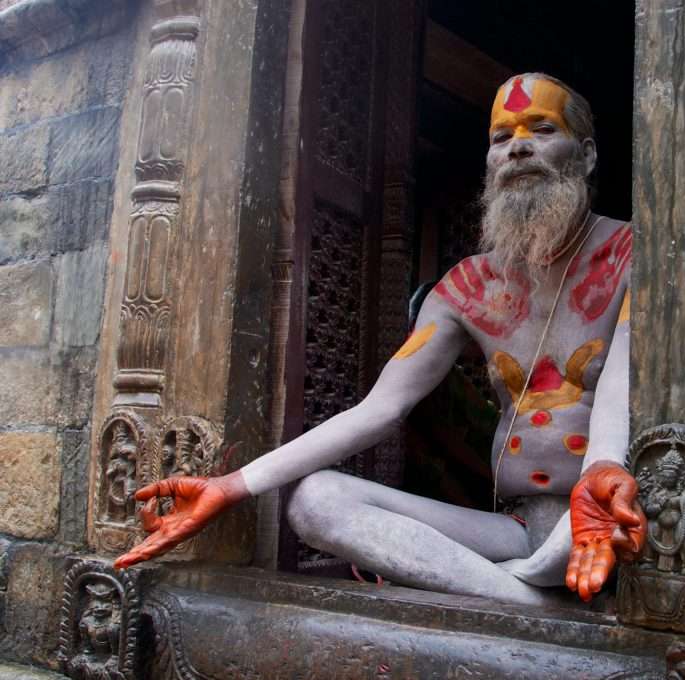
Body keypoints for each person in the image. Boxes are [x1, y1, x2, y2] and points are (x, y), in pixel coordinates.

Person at [115, 73, 644, 606]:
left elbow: (618, 387)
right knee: (316, 501)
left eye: (542, 129)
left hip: (599, 517)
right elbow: (379, 410)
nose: (519, 148)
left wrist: (602, 468)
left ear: (588, 155)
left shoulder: (632, 253)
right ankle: (530, 599)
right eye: (501, 138)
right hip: (513, 527)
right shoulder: (468, 286)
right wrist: (229, 487)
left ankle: (512, 588)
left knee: (579, 529)